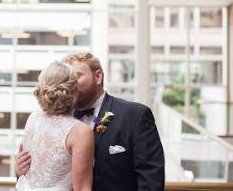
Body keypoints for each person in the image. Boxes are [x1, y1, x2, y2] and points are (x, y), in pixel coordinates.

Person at [16, 52, 165, 191]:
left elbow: (151, 178)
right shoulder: (45, 121)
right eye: (66, 80)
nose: (70, 84)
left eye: (76, 77)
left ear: (98, 77)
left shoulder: (135, 115)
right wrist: (21, 170)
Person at [16, 61, 94, 191]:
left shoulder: (33, 118)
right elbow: (82, 188)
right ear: (75, 90)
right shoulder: (80, 132)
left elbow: (26, 170)